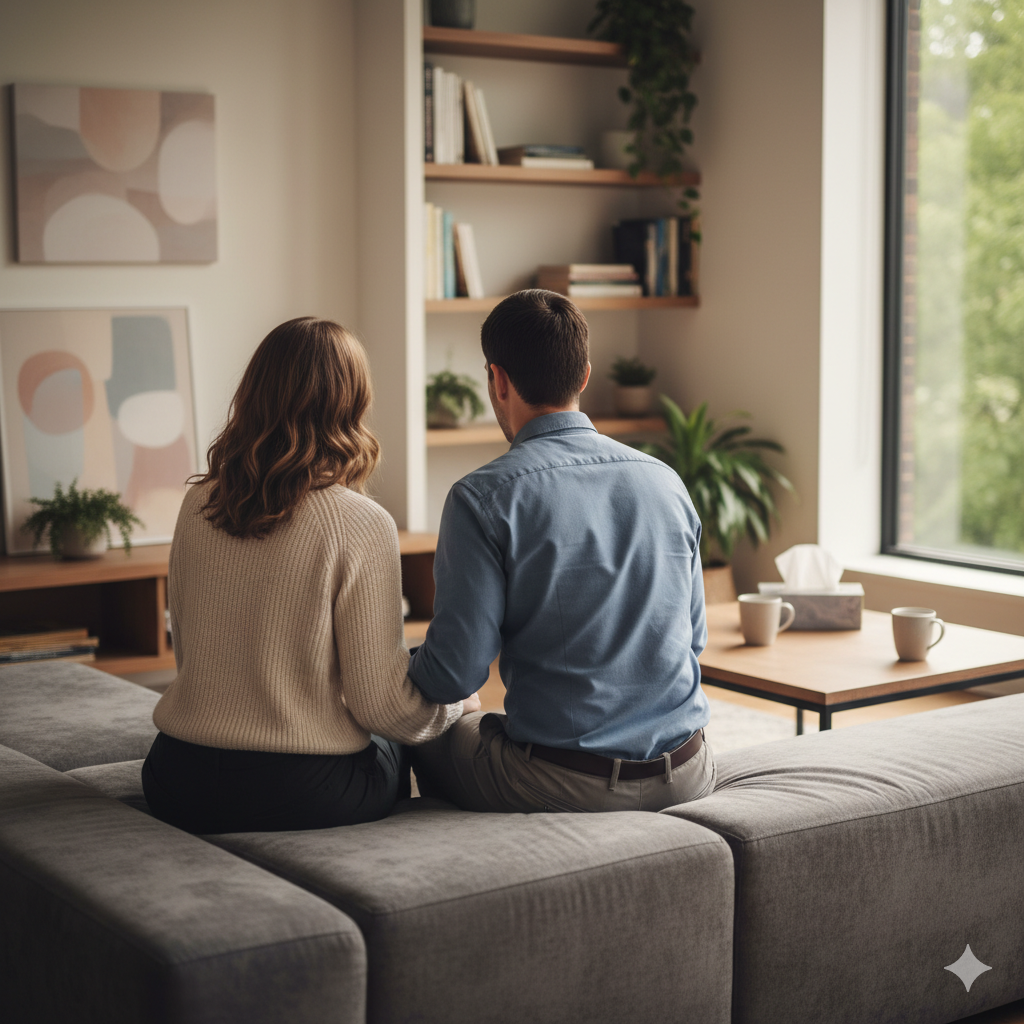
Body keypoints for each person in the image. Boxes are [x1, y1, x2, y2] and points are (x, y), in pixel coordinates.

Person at [143, 317, 471, 833]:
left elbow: (194, 654)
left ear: (254, 394)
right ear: (352, 404)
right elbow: (384, 709)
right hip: (300, 791)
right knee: (404, 732)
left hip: (176, 778)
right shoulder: (361, 522)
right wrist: (455, 703)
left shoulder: (198, 502)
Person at [409, 290, 715, 813]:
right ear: (585, 375)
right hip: (689, 771)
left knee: (428, 730)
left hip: (564, 783)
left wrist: (403, 665)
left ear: (498, 380)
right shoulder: (666, 481)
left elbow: (454, 675)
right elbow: (693, 640)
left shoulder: (481, 497)